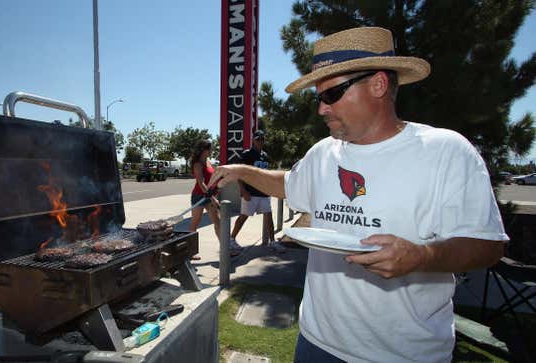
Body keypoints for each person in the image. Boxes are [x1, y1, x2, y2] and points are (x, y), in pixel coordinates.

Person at [209, 27, 506, 362]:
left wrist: (422, 256)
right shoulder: (323, 153)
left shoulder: (447, 152)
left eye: (331, 94)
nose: (321, 109)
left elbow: (488, 245)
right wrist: (240, 171)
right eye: (318, 97)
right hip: (315, 343)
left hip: (404, 354)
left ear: (378, 84)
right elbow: (289, 184)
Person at [230, 130, 285, 253]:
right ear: (253, 140)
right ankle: (231, 239)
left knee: (268, 215)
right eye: (258, 139)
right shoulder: (247, 154)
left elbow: (266, 174)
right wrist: (243, 190)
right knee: (244, 216)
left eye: (262, 139)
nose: (260, 141)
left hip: (264, 192)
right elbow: (238, 173)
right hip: (250, 192)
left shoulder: (265, 155)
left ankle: (272, 242)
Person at [188, 140, 227, 260]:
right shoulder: (197, 164)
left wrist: (217, 186)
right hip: (199, 196)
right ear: (204, 150)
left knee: (218, 222)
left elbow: (212, 177)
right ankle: (190, 251)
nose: (212, 151)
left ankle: (225, 249)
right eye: (210, 149)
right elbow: (201, 183)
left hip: (209, 195)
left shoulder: (209, 162)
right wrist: (213, 198)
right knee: (195, 224)